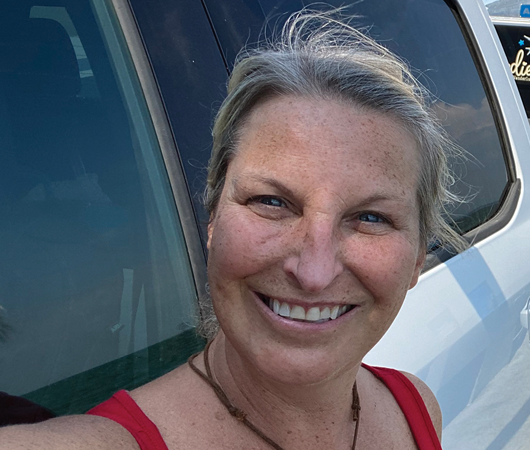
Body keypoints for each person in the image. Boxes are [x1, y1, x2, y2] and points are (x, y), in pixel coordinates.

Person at [0, 10, 464, 449]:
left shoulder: (414, 406)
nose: (314, 272)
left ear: (418, 256)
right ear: (213, 220)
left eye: (370, 218)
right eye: (271, 202)